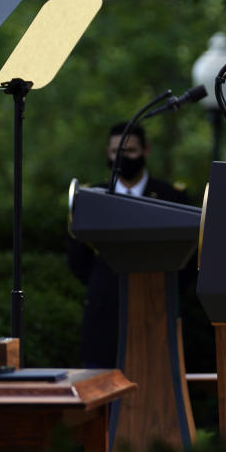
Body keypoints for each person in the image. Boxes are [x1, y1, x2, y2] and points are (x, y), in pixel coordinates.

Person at [67, 121, 192, 368]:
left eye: (130, 151)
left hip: (157, 310)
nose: (122, 158)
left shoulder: (171, 196)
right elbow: (78, 260)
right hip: (105, 315)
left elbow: (189, 257)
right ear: (107, 153)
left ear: (146, 150)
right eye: (116, 152)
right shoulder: (92, 197)